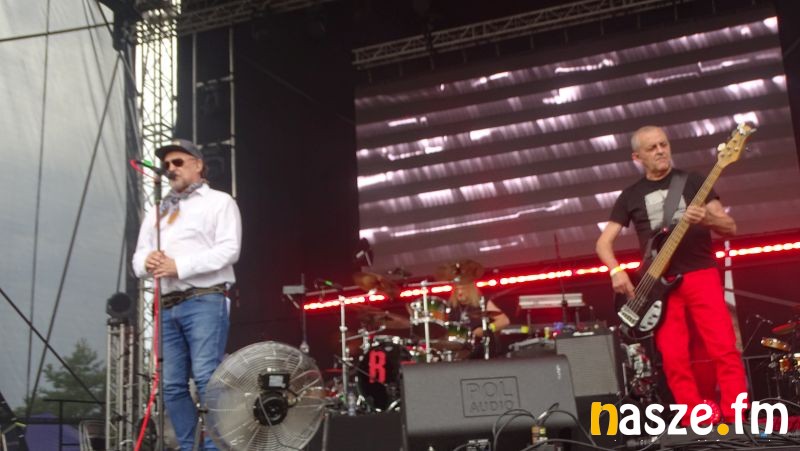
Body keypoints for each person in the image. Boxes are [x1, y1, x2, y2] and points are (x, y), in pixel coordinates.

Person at [595, 125, 747, 424]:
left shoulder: (693, 181)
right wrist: (616, 271)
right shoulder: (631, 195)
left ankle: (736, 414)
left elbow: (730, 227)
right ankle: (695, 418)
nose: (660, 151)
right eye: (652, 148)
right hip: (658, 286)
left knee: (724, 347)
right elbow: (603, 243)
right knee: (674, 357)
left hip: (700, 273)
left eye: (663, 144)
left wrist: (707, 218)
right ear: (637, 157)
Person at [132, 139, 242, 450]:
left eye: (178, 162)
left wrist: (178, 266)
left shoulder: (219, 202)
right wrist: (148, 262)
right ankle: (189, 446)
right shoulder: (158, 210)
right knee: (171, 385)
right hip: (167, 305)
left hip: (204, 299)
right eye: (167, 164)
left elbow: (229, 250)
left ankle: (215, 447)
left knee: (206, 376)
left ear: (198, 165)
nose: (171, 168)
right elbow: (137, 259)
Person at [448, 282, 510, 359]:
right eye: (457, 289)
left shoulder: (482, 302)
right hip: (459, 348)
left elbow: (504, 321)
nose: (460, 292)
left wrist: (486, 329)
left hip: (480, 348)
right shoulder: (451, 307)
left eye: (463, 289)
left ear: (471, 290)